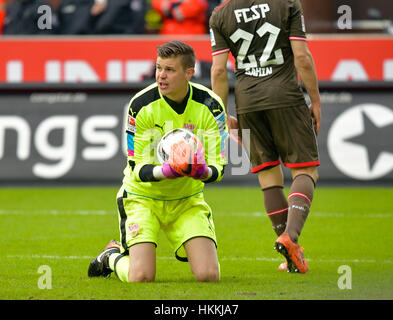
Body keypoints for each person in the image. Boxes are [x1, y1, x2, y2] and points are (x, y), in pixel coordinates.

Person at [88, 41, 228, 283]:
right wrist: (168, 170)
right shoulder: (141, 105)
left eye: (170, 70)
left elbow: (219, 168)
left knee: (209, 275)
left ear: (189, 73)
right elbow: (136, 167)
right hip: (143, 199)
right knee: (141, 277)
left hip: (187, 201)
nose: (161, 76)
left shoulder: (211, 107)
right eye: (158, 68)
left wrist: (201, 171)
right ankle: (110, 256)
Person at [209, 0, 321, 274]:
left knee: (268, 176)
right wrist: (316, 101)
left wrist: (221, 115)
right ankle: (290, 238)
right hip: (285, 96)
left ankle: (290, 256)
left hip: (247, 102)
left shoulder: (220, 15)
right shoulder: (287, 4)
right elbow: (302, 58)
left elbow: (219, 71)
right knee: (305, 170)